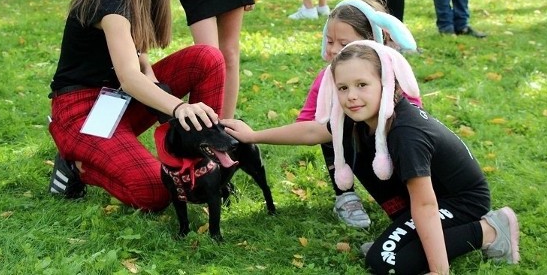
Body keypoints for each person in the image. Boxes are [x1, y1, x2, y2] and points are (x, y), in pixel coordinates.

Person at [223, 41, 520, 274]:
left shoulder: (407, 134)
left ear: (386, 83)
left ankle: (491, 230)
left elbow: (426, 205)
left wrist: (439, 271)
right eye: (343, 88)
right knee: (349, 145)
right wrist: (252, 135)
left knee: (387, 262)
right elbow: (313, 132)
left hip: (461, 203)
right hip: (433, 201)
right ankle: (400, 239)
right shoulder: (359, 118)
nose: (351, 96)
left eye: (362, 85)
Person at [47, 0, 226, 210]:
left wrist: (158, 88)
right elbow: (129, 77)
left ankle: (201, 161)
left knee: (207, 58)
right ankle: (75, 165)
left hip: (115, 101)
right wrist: (178, 109)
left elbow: (138, 62)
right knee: (155, 192)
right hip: (79, 112)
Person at [295, 0, 420, 228]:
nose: (333, 50)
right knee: (333, 124)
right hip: (354, 147)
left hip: (392, 144)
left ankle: (406, 193)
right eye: (329, 41)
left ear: (372, 42)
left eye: (343, 44)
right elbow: (308, 124)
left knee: (407, 208)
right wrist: (253, 136)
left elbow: (415, 117)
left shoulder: (394, 71)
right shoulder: (326, 79)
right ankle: (346, 195)